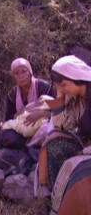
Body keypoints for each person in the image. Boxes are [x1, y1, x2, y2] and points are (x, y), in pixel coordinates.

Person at [37, 55, 91, 215]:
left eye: (64, 85)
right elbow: (62, 124)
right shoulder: (75, 100)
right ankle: (56, 199)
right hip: (85, 147)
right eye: (58, 86)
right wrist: (59, 95)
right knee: (53, 143)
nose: (62, 89)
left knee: (73, 167)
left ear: (76, 77)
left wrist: (86, 152)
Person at [0, 57, 55, 173]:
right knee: (8, 136)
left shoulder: (44, 87)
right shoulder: (12, 95)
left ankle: (29, 155)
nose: (21, 76)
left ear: (30, 72)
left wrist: (41, 113)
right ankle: (25, 152)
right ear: (13, 76)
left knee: (47, 131)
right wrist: (23, 112)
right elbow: (10, 118)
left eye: (23, 71)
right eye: (16, 73)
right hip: (23, 132)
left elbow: (59, 110)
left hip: (42, 128)